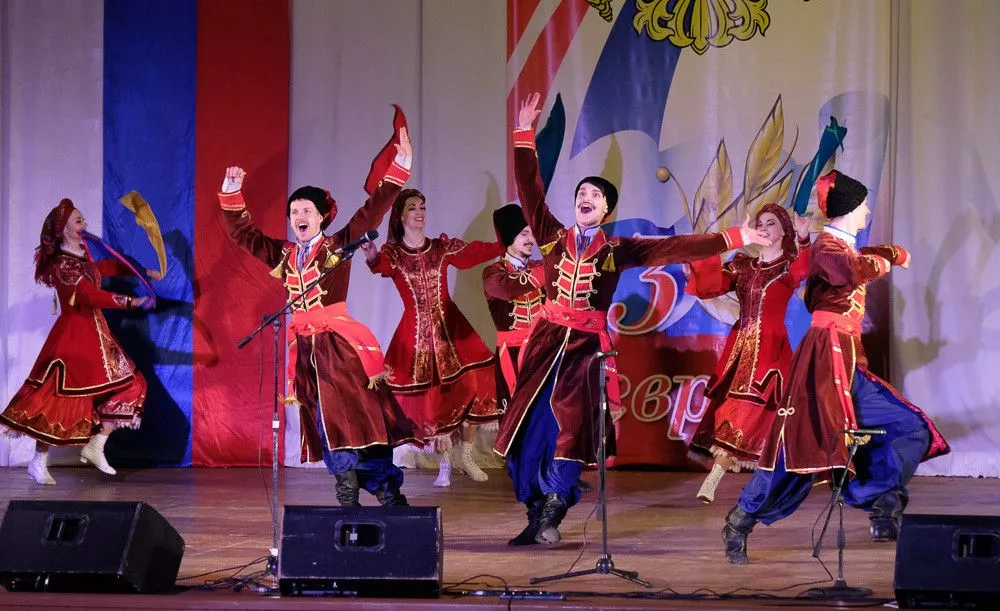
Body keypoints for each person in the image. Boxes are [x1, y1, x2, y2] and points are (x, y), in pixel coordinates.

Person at [494, 92, 769, 546]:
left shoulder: (620, 249)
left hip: (585, 350)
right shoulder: (551, 237)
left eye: (595, 195)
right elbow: (529, 188)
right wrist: (523, 134)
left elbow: (678, 247)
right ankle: (534, 510)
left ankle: (554, 509)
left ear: (606, 211)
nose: (586, 197)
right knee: (527, 429)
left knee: (570, 429)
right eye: (581, 193)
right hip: (545, 343)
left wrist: (738, 236)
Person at [721, 170, 950, 564]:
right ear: (849, 208)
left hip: (849, 363)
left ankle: (882, 503)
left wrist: (886, 251)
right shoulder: (829, 247)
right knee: (800, 445)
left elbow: (847, 262)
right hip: (823, 360)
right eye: (864, 205)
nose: (868, 211)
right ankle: (741, 519)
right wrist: (890, 257)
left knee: (907, 426)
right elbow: (848, 269)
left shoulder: (837, 246)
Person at [218, 126, 417, 507]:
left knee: (359, 417)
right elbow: (245, 236)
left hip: (339, 348)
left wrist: (401, 163)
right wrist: (232, 193)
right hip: (305, 351)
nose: (299, 216)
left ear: (322, 217)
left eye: (306, 210)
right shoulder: (285, 255)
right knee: (326, 420)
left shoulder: (338, 245)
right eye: (294, 211)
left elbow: (373, 209)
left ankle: (385, 490)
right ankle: (346, 493)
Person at [1, 199, 155, 485]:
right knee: (60, 401)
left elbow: (105, 267)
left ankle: (97, 444)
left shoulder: (85, 254)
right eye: (77, 220)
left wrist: (140, 271)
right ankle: (38, 461)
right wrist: (130, 301)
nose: (84, 223)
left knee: (134, 384)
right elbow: (87, 295)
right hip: (73, 337)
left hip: (98, 335)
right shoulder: (63, 264)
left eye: (83, 218)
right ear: (64, 229)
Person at [363, 189, 503, 487]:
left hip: (451, 329)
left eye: (423, 207)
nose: (420, 212)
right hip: (417, 340)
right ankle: (446, 464)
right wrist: (371, 254)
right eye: (413, 207)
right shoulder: (394, 254)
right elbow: (381, 266)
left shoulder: (440, 247)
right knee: (434, 402)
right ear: (401, 215)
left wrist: (504, 243)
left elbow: (472, 254)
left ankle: (467, 456)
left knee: (472, 387)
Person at [685, 203, 811, 503]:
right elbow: (710, 285)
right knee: (732, 410)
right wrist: (726, 243)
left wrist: (805, 238)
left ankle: (726, 481)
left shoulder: (788, 265)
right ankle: (740, 483)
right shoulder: (743, 265)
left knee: (759, 415)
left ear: (784, 230)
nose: (764, 228)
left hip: (771, 350)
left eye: (771, 223)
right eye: (760, 224)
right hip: (740, 347)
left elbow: (806, 269)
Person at [482, 203, 545, 409]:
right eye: (524, 233)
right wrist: (550, 270)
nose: (531, 240)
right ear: (510, 236)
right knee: (514, 418)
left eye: (532, 233)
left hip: (543, 352)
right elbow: (507, 289)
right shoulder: (493, 273)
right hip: (510, 356)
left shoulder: (539, 266)